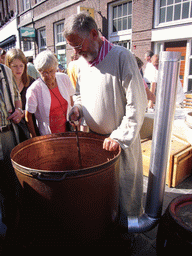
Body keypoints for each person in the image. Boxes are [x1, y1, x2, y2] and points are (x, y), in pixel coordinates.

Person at [64, 13, 147, 220]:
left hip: (120, 144)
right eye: (72, 47)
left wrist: (118, 137)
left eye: (78, 45)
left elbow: (138, 104)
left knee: (125, 196)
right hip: (95, 141)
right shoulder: (82, 63)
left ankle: (127, 235)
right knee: (102, 195)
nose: (76, 52)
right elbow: (80, 95)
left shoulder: (122, 57)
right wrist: (78, 109)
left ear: (94, 33)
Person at [25, 50, 75, 137]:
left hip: (68, 131)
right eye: (44, 72)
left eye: (51, 71)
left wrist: (74, 119)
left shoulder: (64, 78)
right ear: (38, 71)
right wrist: (35, 137)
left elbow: (71, 102)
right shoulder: (34, 89)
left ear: (56, 68)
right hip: (48, 135)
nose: (48, 75)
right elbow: (28, 116)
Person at [0, 63, 23, 225]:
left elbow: (17, 97)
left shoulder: (5, 70)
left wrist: (19, 111)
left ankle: (13, 222)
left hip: (8, 133)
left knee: (11, 178)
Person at [5, 49, 35, 115]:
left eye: (21, 66)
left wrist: (22, 113)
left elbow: (37, 107)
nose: (19, 69)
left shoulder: (32, 82)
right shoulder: (3, 82)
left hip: (27, 122)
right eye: (14, 66)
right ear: (8, 66)